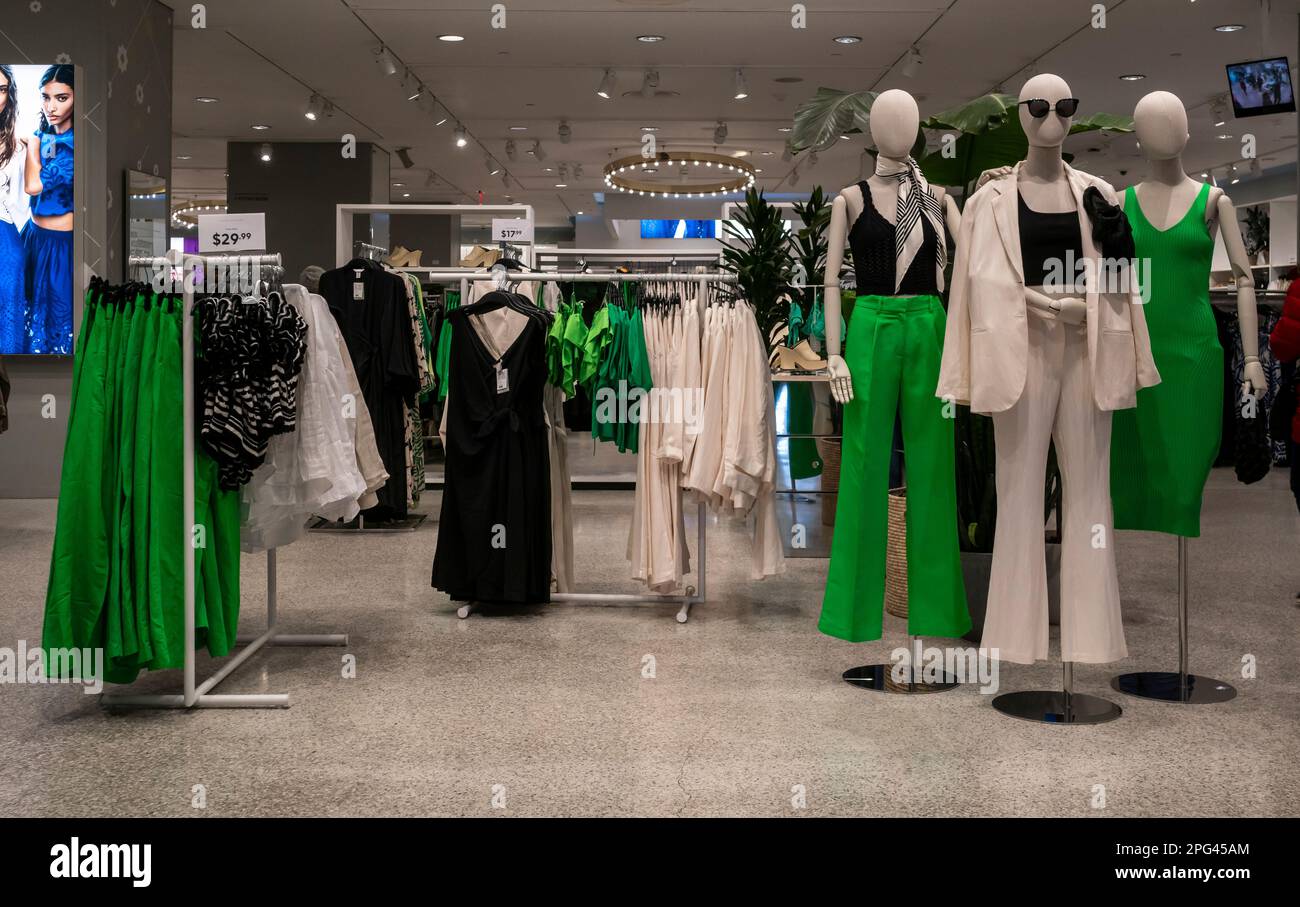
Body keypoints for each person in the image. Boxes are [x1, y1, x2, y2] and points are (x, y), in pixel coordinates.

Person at [23, 64, 74, 355]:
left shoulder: (74, 145)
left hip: (59, 247)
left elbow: (33, 185)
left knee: (56, 323)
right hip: (33, 236)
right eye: (46, 97)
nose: (50, 106)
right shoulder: (45, 136)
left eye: (61, 98)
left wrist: (32, 145)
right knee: (28, 314)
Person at [0, 65, 28, 355]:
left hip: (5, 239)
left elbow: (23, 201)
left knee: (7, 319)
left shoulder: (18, 146)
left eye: (2, 89)